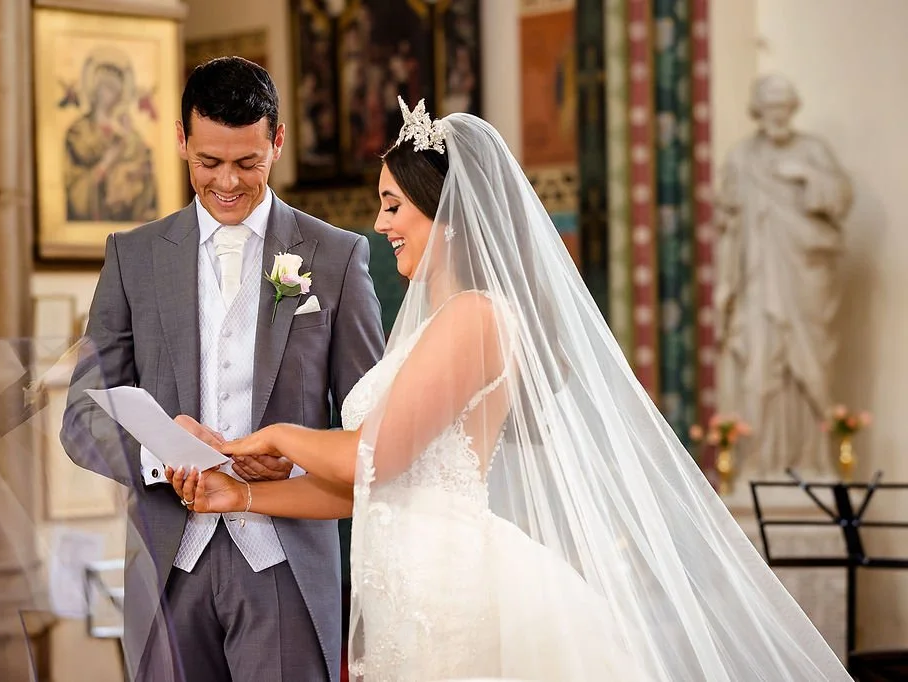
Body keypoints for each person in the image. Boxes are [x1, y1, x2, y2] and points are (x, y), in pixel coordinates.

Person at [169, 97, 851, 680]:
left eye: (393, 205)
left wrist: (267, 438)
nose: (380, 226)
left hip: (452, 587)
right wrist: (245, 492)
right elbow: (366, 487)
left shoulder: (478, 317)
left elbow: (374, 457)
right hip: (410, 583)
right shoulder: (434, 324)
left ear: (449, 214)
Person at [60, 56, 385, 682]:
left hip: (285, 562)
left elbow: (372, 434)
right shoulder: (132, 258)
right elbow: (80, 419)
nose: (228, 182)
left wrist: (295, 457)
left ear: (278, 141)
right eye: (209, 163)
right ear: (181, 141)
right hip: (166, 565)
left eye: (248, 163)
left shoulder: (338, 258)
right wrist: (164, 458)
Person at [715, 74, 853, 481]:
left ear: (793, 109)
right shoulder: (742, 158)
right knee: (759, 368)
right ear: (758, 111)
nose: (777, 116)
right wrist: (725, 283)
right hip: (757, 283)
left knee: (808, 366)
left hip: (804, 281)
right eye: (769, 108)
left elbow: (841, 199)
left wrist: (807, 175)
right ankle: (756, 463)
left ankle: (813, 461)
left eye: (784, 108)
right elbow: (730, 227)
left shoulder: (813, 152)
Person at [64, 47, 158, 222]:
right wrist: (106, 163)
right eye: (106, 87)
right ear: (95, 89)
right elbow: (75, 179)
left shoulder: (128, 132)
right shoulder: (79, 129)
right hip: (91, 200)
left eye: (115, 89)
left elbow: (144, 163)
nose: (110, 95)